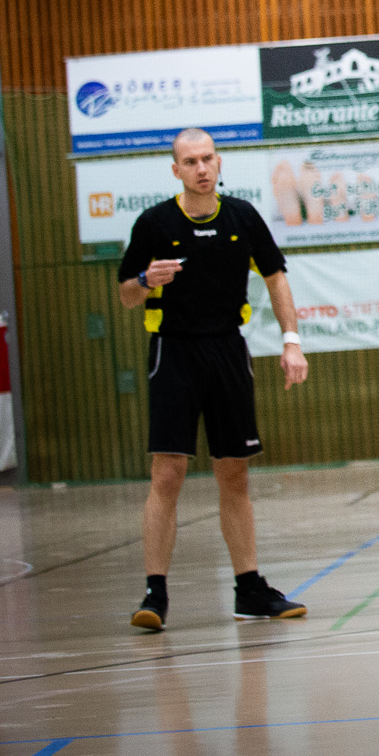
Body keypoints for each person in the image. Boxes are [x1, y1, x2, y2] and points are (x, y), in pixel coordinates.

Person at [115, 127, 310, 632]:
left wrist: (291, 341)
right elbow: (126, 294)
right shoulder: (154, 223)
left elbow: (276, 277)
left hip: (227, 350)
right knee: (168, 473)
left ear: (219, 163)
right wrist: (145, 281)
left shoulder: (242, 217)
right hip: (173, 352)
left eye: (207, 159)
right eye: (190, 162)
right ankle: (155, 593)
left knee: (234, 473)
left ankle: (249, 590)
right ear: (176, 170)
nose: (201, 168)